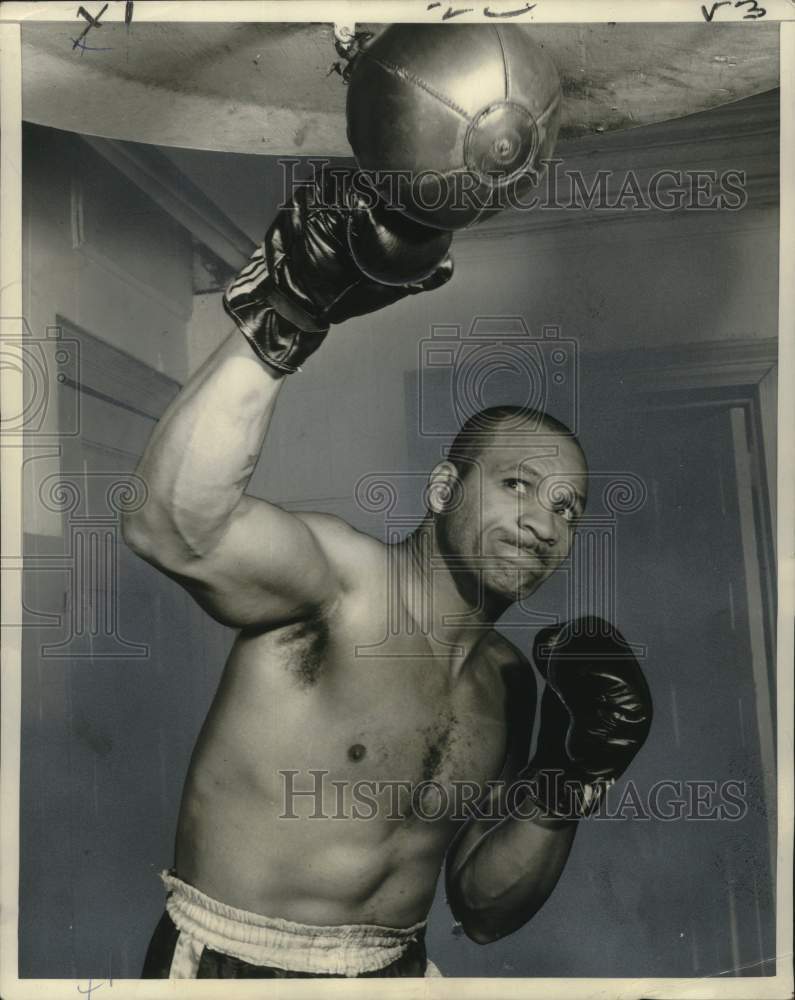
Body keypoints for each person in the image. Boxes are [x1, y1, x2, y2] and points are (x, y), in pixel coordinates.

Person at [123, 170, 652, 979]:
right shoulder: (343, 583)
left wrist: (567, 781)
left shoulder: (509, 684)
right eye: (515, 485)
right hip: (239, 963)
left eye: (568, 509)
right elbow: (172, 528)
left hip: (398, 969)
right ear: (443, 490)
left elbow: (483, 908)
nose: (543, 522)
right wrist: (287, 317)